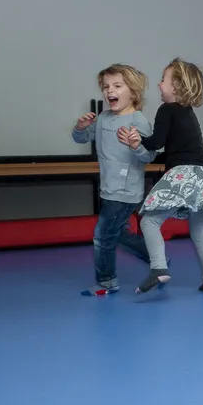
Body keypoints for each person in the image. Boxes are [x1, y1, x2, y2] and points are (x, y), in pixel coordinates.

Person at [126, 59, 203, 294]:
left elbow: (157, 142)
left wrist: (137, 140)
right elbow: (175, 149)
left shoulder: (166, 109)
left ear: (175, 86)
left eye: (163, 80)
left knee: (149, 221)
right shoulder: (188, 113)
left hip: (183, 174)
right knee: (200, 232)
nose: (159, 84)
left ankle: (158, 267)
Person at [72, 64, 154, 295]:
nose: (110, 91)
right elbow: (81, 138)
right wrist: (80, 128)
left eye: (117, 86)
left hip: (126, 190)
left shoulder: (139, 121)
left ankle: (107, 281)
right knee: (118, 233)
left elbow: (148, 156)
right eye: (106, 86)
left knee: (102, 236)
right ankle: (157, 260)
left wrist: (135, 145)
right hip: (108, 187)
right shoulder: (103, 118)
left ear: (133, 92)